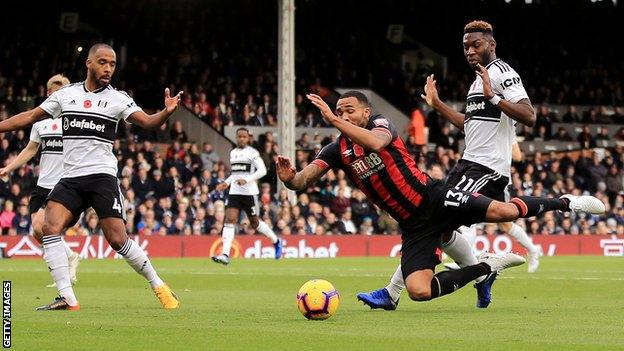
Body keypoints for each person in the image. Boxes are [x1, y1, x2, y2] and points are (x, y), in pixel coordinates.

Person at [276, 90, 604, 310]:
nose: (342, 115)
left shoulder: (381, 124)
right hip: (413, 224)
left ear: (365, 111)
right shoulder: (337, 151)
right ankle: (486, 266)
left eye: (349, 110)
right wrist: (290, 178)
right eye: (338, 112)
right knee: (419, 291)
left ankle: (565, 202)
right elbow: (302, 181)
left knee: (503, 211)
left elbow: (376, 145)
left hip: (434, 198)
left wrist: (335, 121)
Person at [358, 20, 546, 311]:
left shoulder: (502, 73)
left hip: (486, 168)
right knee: (439, 226)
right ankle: (481, 273)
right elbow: (469, 127)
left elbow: (529, 115)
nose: (470, 51)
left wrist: (494, 97)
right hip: (469, 164)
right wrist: (438, 105)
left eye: (476, 45)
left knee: (431, 219)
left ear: (491, 45)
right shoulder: (477, 80)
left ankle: (392, 292)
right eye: (466, 47)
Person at [0, 43, 182, 311]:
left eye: (112, 64)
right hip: (71, 177)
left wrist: (165, 113)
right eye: (103, 62)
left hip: (101, 177)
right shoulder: (66, 95)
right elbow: (29, 116)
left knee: (118, 240)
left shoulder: (119, 99)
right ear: (89, 63)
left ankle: (158, 284)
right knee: (48, 228)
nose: (108, 68)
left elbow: (147, 122)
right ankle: (67, 298)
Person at [0, 74, 82, 287]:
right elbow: (30, 150)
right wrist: (8, 168)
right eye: (53, 92)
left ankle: (64, 272)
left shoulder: (73, 120)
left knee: (42, 226)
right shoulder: (40, 122)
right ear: (48, 94)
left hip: (63, 184)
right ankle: (70, 258)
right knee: (37, 231)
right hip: (42, 184)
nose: (56, 96)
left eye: (60, 92)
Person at [211, 127, 283, 265]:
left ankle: (276, 240)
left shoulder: (252, 153)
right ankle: (225, 254)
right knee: (229, 219)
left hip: (249, 192)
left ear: (248, 138)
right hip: (235, 192)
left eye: (244, 137)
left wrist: (248, 179)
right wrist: (226, 183)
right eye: (239, 136)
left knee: (254, 223)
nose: (241, 139)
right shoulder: (233, 153)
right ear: (236, 138)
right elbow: (236, 173)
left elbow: (262, 170)